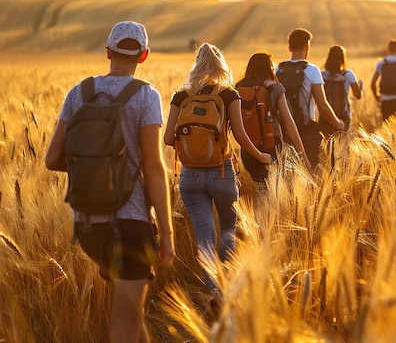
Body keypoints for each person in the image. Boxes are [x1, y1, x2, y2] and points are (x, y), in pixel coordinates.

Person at [45, 21, 175, 343]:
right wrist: (169, 234)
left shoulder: (78, 93)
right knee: (124, 323)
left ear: (108, 52)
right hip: (129, 225)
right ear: (143, 56)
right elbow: (154, 168)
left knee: (132, 312)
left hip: (88, 227)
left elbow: (52, 159)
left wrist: (94, 171)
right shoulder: (146, 96)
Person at [163, 43, 272, 298]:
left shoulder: (181, 96)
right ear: (220, 65)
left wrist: (193, 145)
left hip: (189, 176)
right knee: (227, 229)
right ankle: (229, 283)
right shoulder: (228, 94)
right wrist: (260, 155)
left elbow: (169, 138)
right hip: (221, 173)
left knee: (204, 236)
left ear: (196, 64)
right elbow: (241, 137)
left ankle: (214, 289)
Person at [235, 51, 312, 182]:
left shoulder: (239, 88)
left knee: (259, 189)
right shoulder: (275, 88)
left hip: (248, 149)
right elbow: (288, 122)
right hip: (272, 148)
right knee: (274, 192)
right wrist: (304, 156)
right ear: (269, 67)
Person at [275, 28, 345, 170]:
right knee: (315, 170)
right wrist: (338, 123)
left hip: (284, 132)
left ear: (289, 47)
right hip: (307, 130)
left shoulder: (278, 69)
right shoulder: (312, 70)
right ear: (307, 47)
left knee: (288, 175)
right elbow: (322, 105)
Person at [319, 44, 362, 133]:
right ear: (343, 58)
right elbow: (357, 95)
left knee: (325, 144)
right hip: (343, 116)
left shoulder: (320, 74)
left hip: (324, 116)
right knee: (341, 143)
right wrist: (360, 86)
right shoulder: (348, 74)